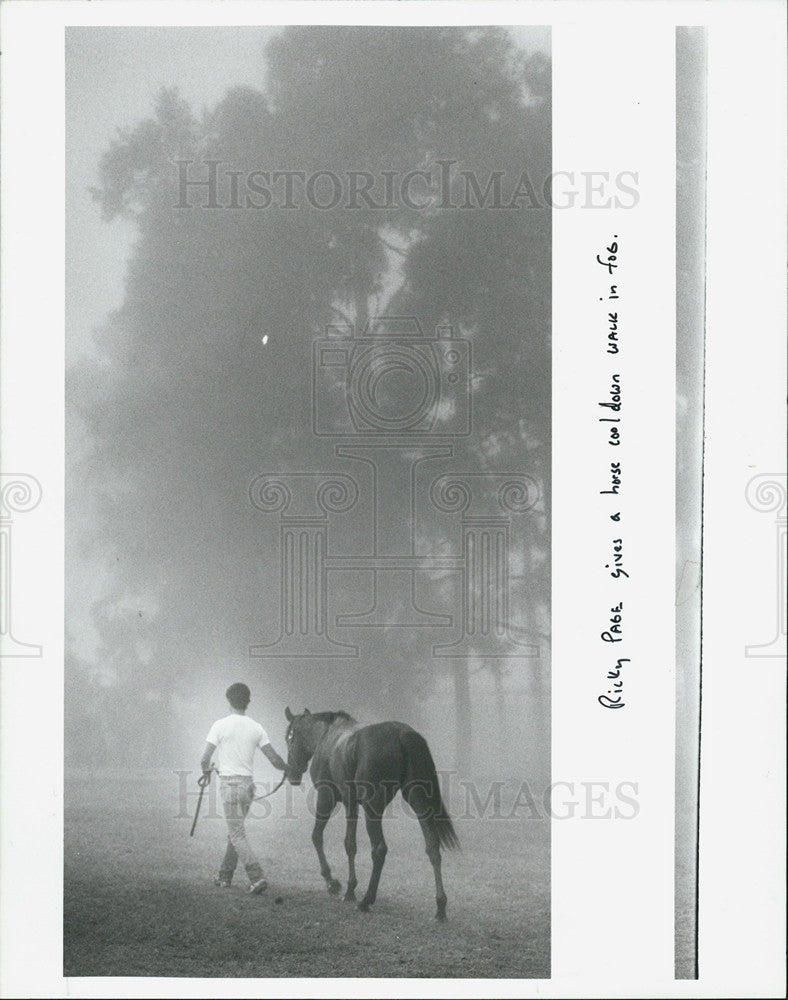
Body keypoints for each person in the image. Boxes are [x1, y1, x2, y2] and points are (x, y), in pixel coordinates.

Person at [201, 682, 287, 894]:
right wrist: (290, 769)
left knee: (237, 834)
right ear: (248, 702)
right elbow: (275, 759)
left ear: (229, 700)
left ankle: (257, 877)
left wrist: (207, 771)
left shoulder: (220, 725)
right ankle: (224, 876)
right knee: (235, 833)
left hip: (230, 785)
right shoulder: (257, 727)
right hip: (248, 787)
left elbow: (204, 759)